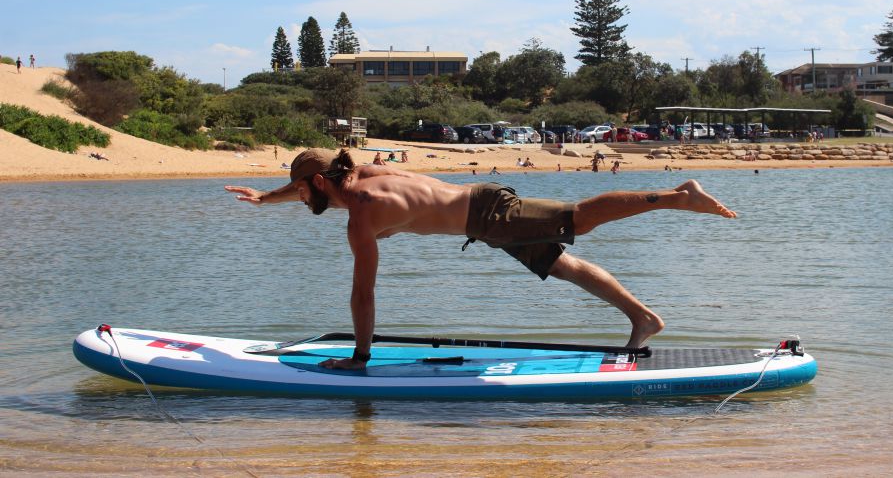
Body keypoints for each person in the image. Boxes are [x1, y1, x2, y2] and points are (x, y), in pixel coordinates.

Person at [225, 148, 737, 370]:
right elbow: (306, 191)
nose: (299, 199)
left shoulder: (361, 213)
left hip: (490, 214)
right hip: (484, 219)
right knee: (560, 264)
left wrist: (360, 357)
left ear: (318, 184)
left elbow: (363, 293)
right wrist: (265, 199)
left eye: (299, 191)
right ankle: (643, 319)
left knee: (578, 218)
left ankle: (678, 196)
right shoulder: (359, 175)